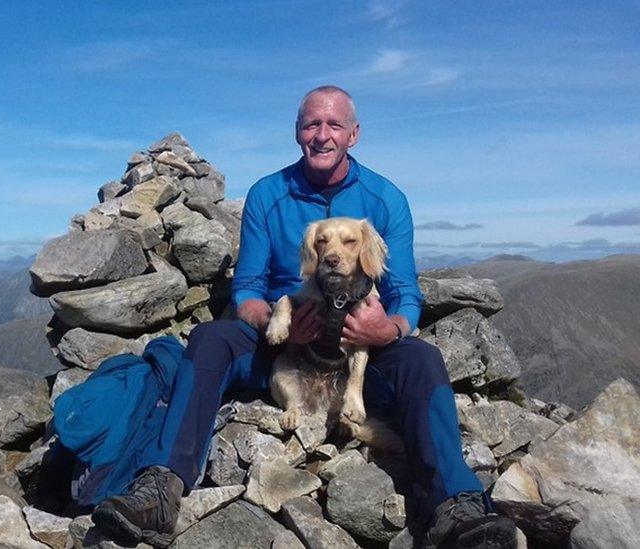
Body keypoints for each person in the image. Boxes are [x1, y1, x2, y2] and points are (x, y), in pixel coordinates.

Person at [92, 86, 518, 548]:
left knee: (422, 359)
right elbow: (249, 290)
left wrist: (387, 328)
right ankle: (160, 487)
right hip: (283, 342)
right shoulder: (267, 195)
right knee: (211, 339)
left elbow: (406, 295)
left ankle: (454, 505)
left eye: (334, 125)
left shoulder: (386, 200)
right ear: (298, 132)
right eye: (312, 124)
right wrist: (279, 328)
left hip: (361, 351)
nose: (322, 135)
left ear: (353, 134)